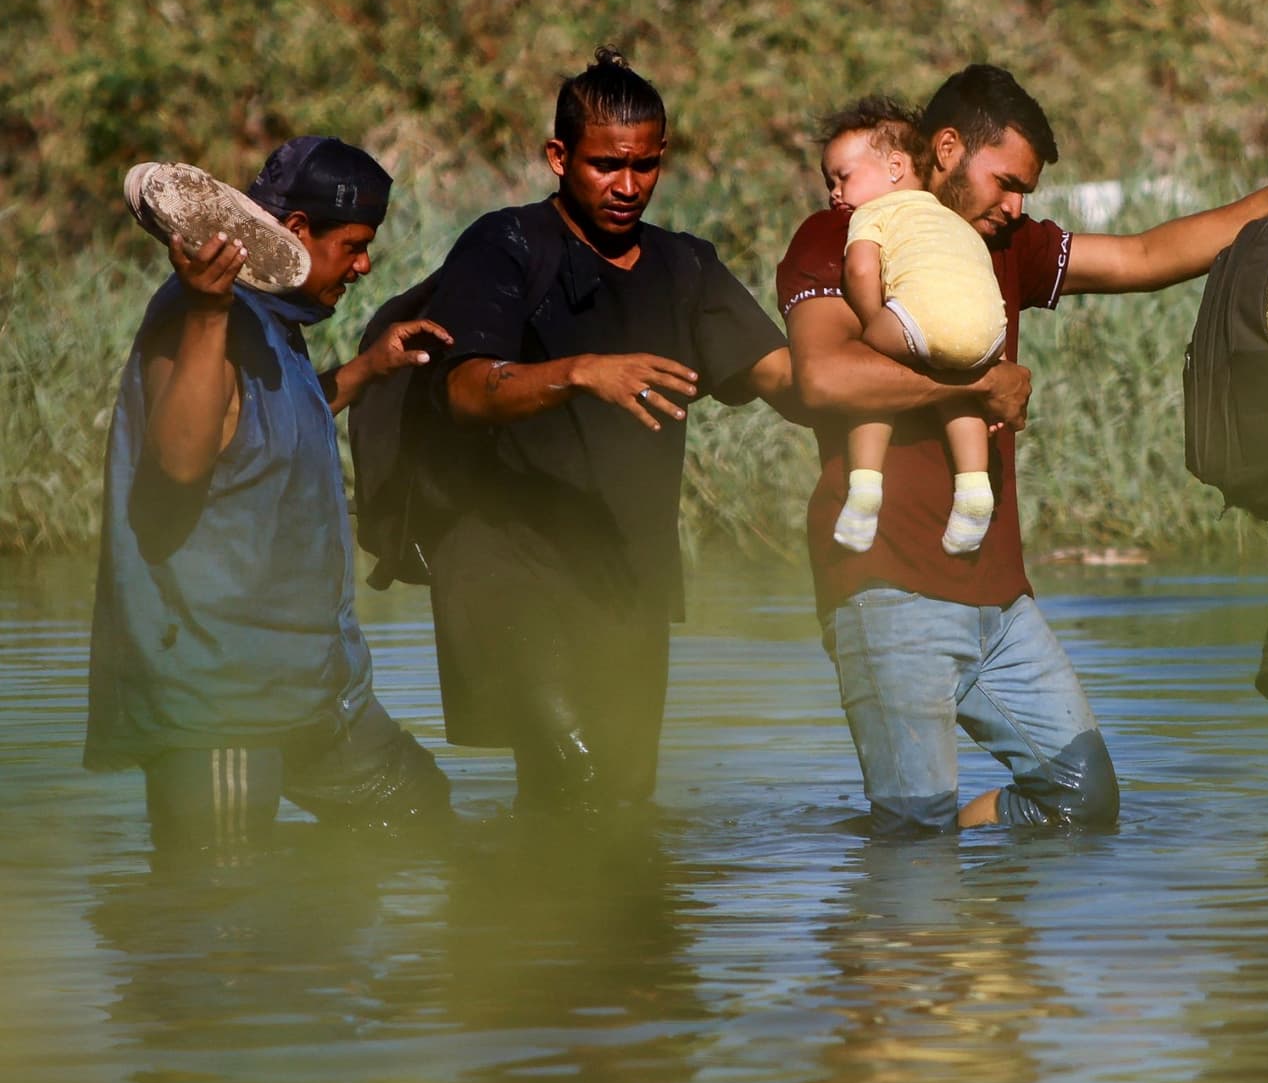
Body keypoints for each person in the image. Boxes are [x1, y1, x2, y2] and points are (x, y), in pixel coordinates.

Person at [779, 63, 1268, 835]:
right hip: (888, 584)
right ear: (949, 149)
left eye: (1026, 190)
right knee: (909, 841)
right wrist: (972, 394)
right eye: (1005, 182)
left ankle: (975, 925)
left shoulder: (1006, 246)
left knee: (1080, 797)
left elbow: (1144, 256)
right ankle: (904, 930)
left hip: (996, 598)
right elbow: (825, 375)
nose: (1016, 205)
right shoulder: (848, 229)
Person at [418, 49, 797, 813]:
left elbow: (781, 378)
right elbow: (462, 390)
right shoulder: (508, 246)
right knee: (578, 785)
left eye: (646, 166)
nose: (628, 186)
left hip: (630, 578)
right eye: (605, 165)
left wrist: (917, 378)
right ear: (559, 157)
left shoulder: (685, 267)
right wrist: (581, 371)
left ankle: (577, 931)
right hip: (512, 576)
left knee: (623, 803)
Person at [86, 136, 454, 854]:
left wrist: (369, 370)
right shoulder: (200, 319)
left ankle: (323, 949)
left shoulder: (269, 325)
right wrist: (205, 310)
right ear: (293, 234)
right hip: (226, 696)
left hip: (314, 684)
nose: (365, 263)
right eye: (353, 244)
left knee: (417, 816)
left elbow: (258, 430)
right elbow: (185, 460)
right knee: (220, 904)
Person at [818, 98, 1006, 556]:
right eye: (829, 183)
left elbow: (861, 270)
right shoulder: (952, 219)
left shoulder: (874, 212)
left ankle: (863, 491)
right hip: (989, 332)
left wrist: (873, 324)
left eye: (843, 177)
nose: (834, 193)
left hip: (919, 319)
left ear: (896, 167)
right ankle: (975, 489)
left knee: (873, 373)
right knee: (956, 388)